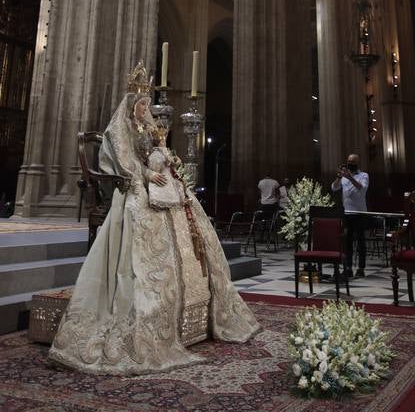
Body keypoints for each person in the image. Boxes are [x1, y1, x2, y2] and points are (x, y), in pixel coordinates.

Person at [50, 61, 259, 375]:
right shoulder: (119, 130)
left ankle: (197, 309)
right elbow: (124, 162)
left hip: (158, 185)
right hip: (133, 188)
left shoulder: (147, 128)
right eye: (141, 104)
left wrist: (166, 161)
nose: (145, 109)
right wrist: (148, 174)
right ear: (132, 105)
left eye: (147, 104)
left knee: (188, 207)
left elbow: (158, 151)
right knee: (145, 216)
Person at [331, 153, 369, 278]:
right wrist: (339, 177)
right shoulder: (343, 177)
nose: (350, 163)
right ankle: (348, 268)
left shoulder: (364, 175)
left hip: (360, 213)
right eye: (348, 161)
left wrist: (350, 177)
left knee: (360, 241)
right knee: (347, 241)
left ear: (357, 163)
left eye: (352, 161)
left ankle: (361, 268)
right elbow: (334, 188)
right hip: (347, 213)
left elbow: (361, 188)